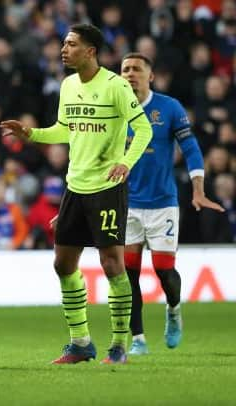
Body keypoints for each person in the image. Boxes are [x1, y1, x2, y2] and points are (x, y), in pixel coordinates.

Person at [0, 24, 154, 364]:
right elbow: (64, 130)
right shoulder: (68, 85)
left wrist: (126, 163)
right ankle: (81, 342)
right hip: (76, 185)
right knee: (62, 263)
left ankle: (118, 345)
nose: (63, 50)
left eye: (71, 44)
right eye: (63, 44)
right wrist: (30, 134)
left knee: (112, 265)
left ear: (91, 51)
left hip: (107, 187)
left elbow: (142, 129)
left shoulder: (115, 86)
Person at [119, 52, 224, 355]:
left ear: (150, 76)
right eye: (125, 69)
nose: (130, 73)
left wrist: (199, 189)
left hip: (163, 204)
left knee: (164, 271)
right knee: (129, 274)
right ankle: (138, 339)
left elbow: (190, 149)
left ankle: (174, 310)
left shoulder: (169, 107)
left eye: (137, 69)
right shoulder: (113, 110)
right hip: (127, 204)